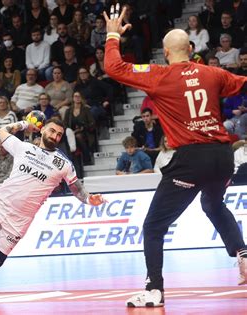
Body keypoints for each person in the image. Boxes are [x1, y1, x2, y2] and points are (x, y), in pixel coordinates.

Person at [103, 6, 247, 307]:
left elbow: (114, 68)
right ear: (190, 49)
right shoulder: (214, 72)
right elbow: (242, 82)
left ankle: (154, 289)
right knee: (212, 203)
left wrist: (113, 34)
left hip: (191, 159)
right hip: (223, 156)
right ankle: (243, 253)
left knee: (154, 226)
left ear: (166, 52)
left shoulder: (158, 75)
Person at [0, 117, 106, 293]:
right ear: (43, 129)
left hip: (20, 219)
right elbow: (1, 132)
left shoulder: (64, 164)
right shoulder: (24, 148)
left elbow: (77, 189)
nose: (55, 136)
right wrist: (23, 124)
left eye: (59, 134)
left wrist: (90, 199)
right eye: (52, 131)